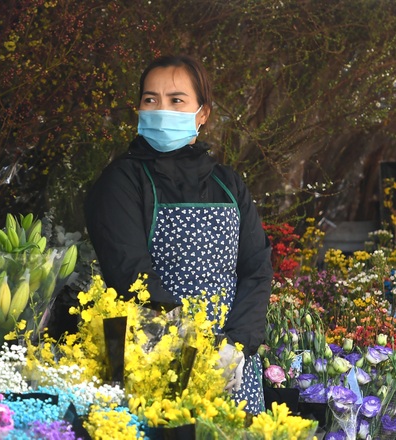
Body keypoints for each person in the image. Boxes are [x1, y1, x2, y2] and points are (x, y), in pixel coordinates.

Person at [84, 55, 273, 415]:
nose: (161, 109)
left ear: (202, 113)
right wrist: (192, 346)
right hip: (153, 352)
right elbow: (129, 270)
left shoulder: (227, 183)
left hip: (230, 363)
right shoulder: (121, 181)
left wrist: (237, 346)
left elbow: (256, 268)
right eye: (150, 99)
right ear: (138, 108)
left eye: (176, 100)